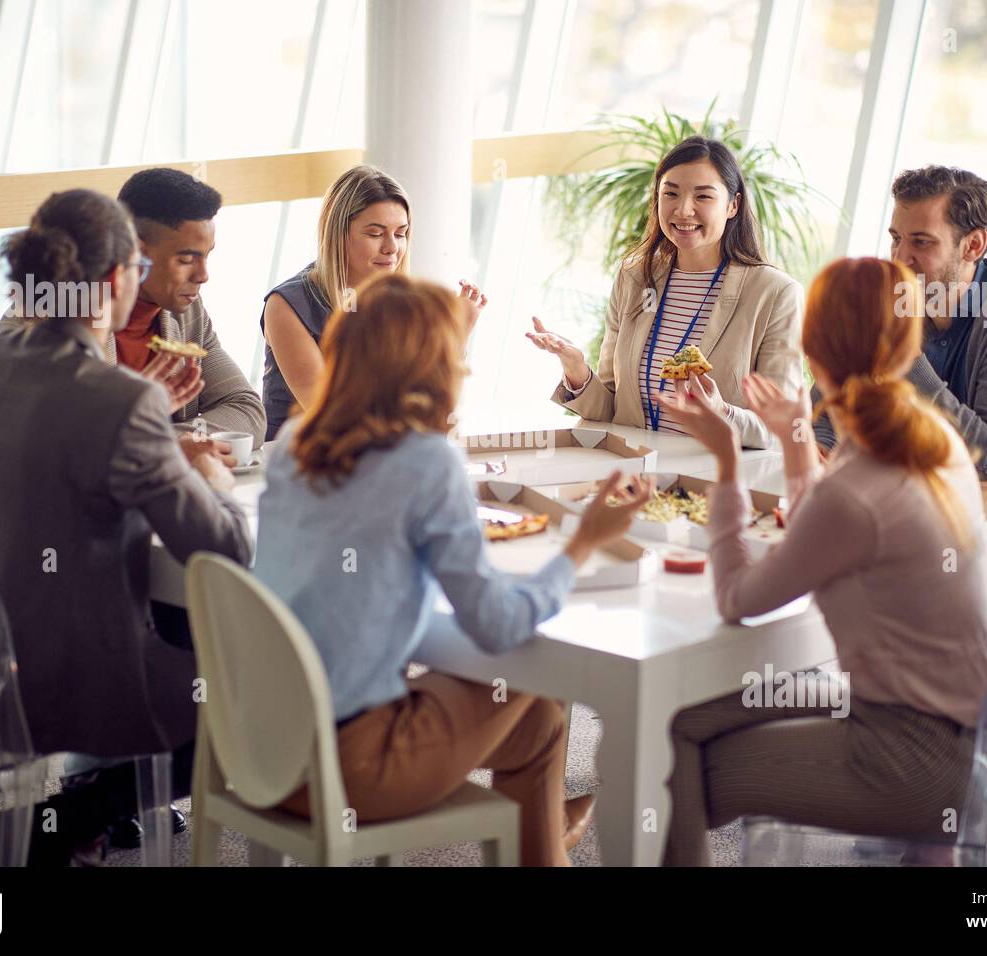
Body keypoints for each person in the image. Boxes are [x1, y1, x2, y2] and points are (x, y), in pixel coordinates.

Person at [253, 272, 653, 866]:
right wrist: (582, 544)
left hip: (261, 748)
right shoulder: (425, 462)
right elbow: (495, 626)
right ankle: (545, 839)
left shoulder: (291, 445)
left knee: (540, 721)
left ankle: (546, 838)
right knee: (530, 677)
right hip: (350, 767)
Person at [657, 257, 987, 866]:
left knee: (673, 750)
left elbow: (738, 598)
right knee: (686, 712)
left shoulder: (858, 483)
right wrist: (794, 434)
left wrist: (728, 464)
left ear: (811, 348)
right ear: (906, 347)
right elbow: (832, 517)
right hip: (965, 732)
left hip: (910, 757)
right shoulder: (931, 437)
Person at [0, 189, 253, 864]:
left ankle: (63, 828)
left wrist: (145, 432)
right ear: (116, 279)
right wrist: (207, 474)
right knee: (260, 699)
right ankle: (68, 815)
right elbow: (226, 547)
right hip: (62, 683)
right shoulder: (122, 400)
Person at [527, 134, 803, 449]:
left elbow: (780, 427)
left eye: (703, 197)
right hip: (629, 471)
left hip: (709, 481)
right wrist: (576, 369)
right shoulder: (634, 277)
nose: (683, 210)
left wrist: (720, 411)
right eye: (670, 193)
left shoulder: (775, 293)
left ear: (733, 205)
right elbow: (611, 410)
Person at [812, 165, 987, 496]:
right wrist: (823, 449)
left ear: (973, 245)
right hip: (908, 502)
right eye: (896, 239)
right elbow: (829, 404)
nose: (901, 258)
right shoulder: (899, 293)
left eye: (921, 242)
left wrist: (907, 361)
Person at [0, 167, 267, 464]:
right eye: (186, 259)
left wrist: (167, 441)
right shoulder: (44, 320)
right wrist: (155, 443)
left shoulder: (187, 313)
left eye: (207, 255)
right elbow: (53, 445)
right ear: (137, 252)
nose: (203, 275)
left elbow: (246, 410)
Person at [260, 164, 486, 437]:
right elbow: (329, 413)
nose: (392, 248)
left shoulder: (401, 303)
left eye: (400, 233)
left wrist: (456, 335)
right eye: (375, 234)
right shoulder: (286, 306)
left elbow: (433, 407)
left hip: (379, 454)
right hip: (304, 459)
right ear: (338, 235)